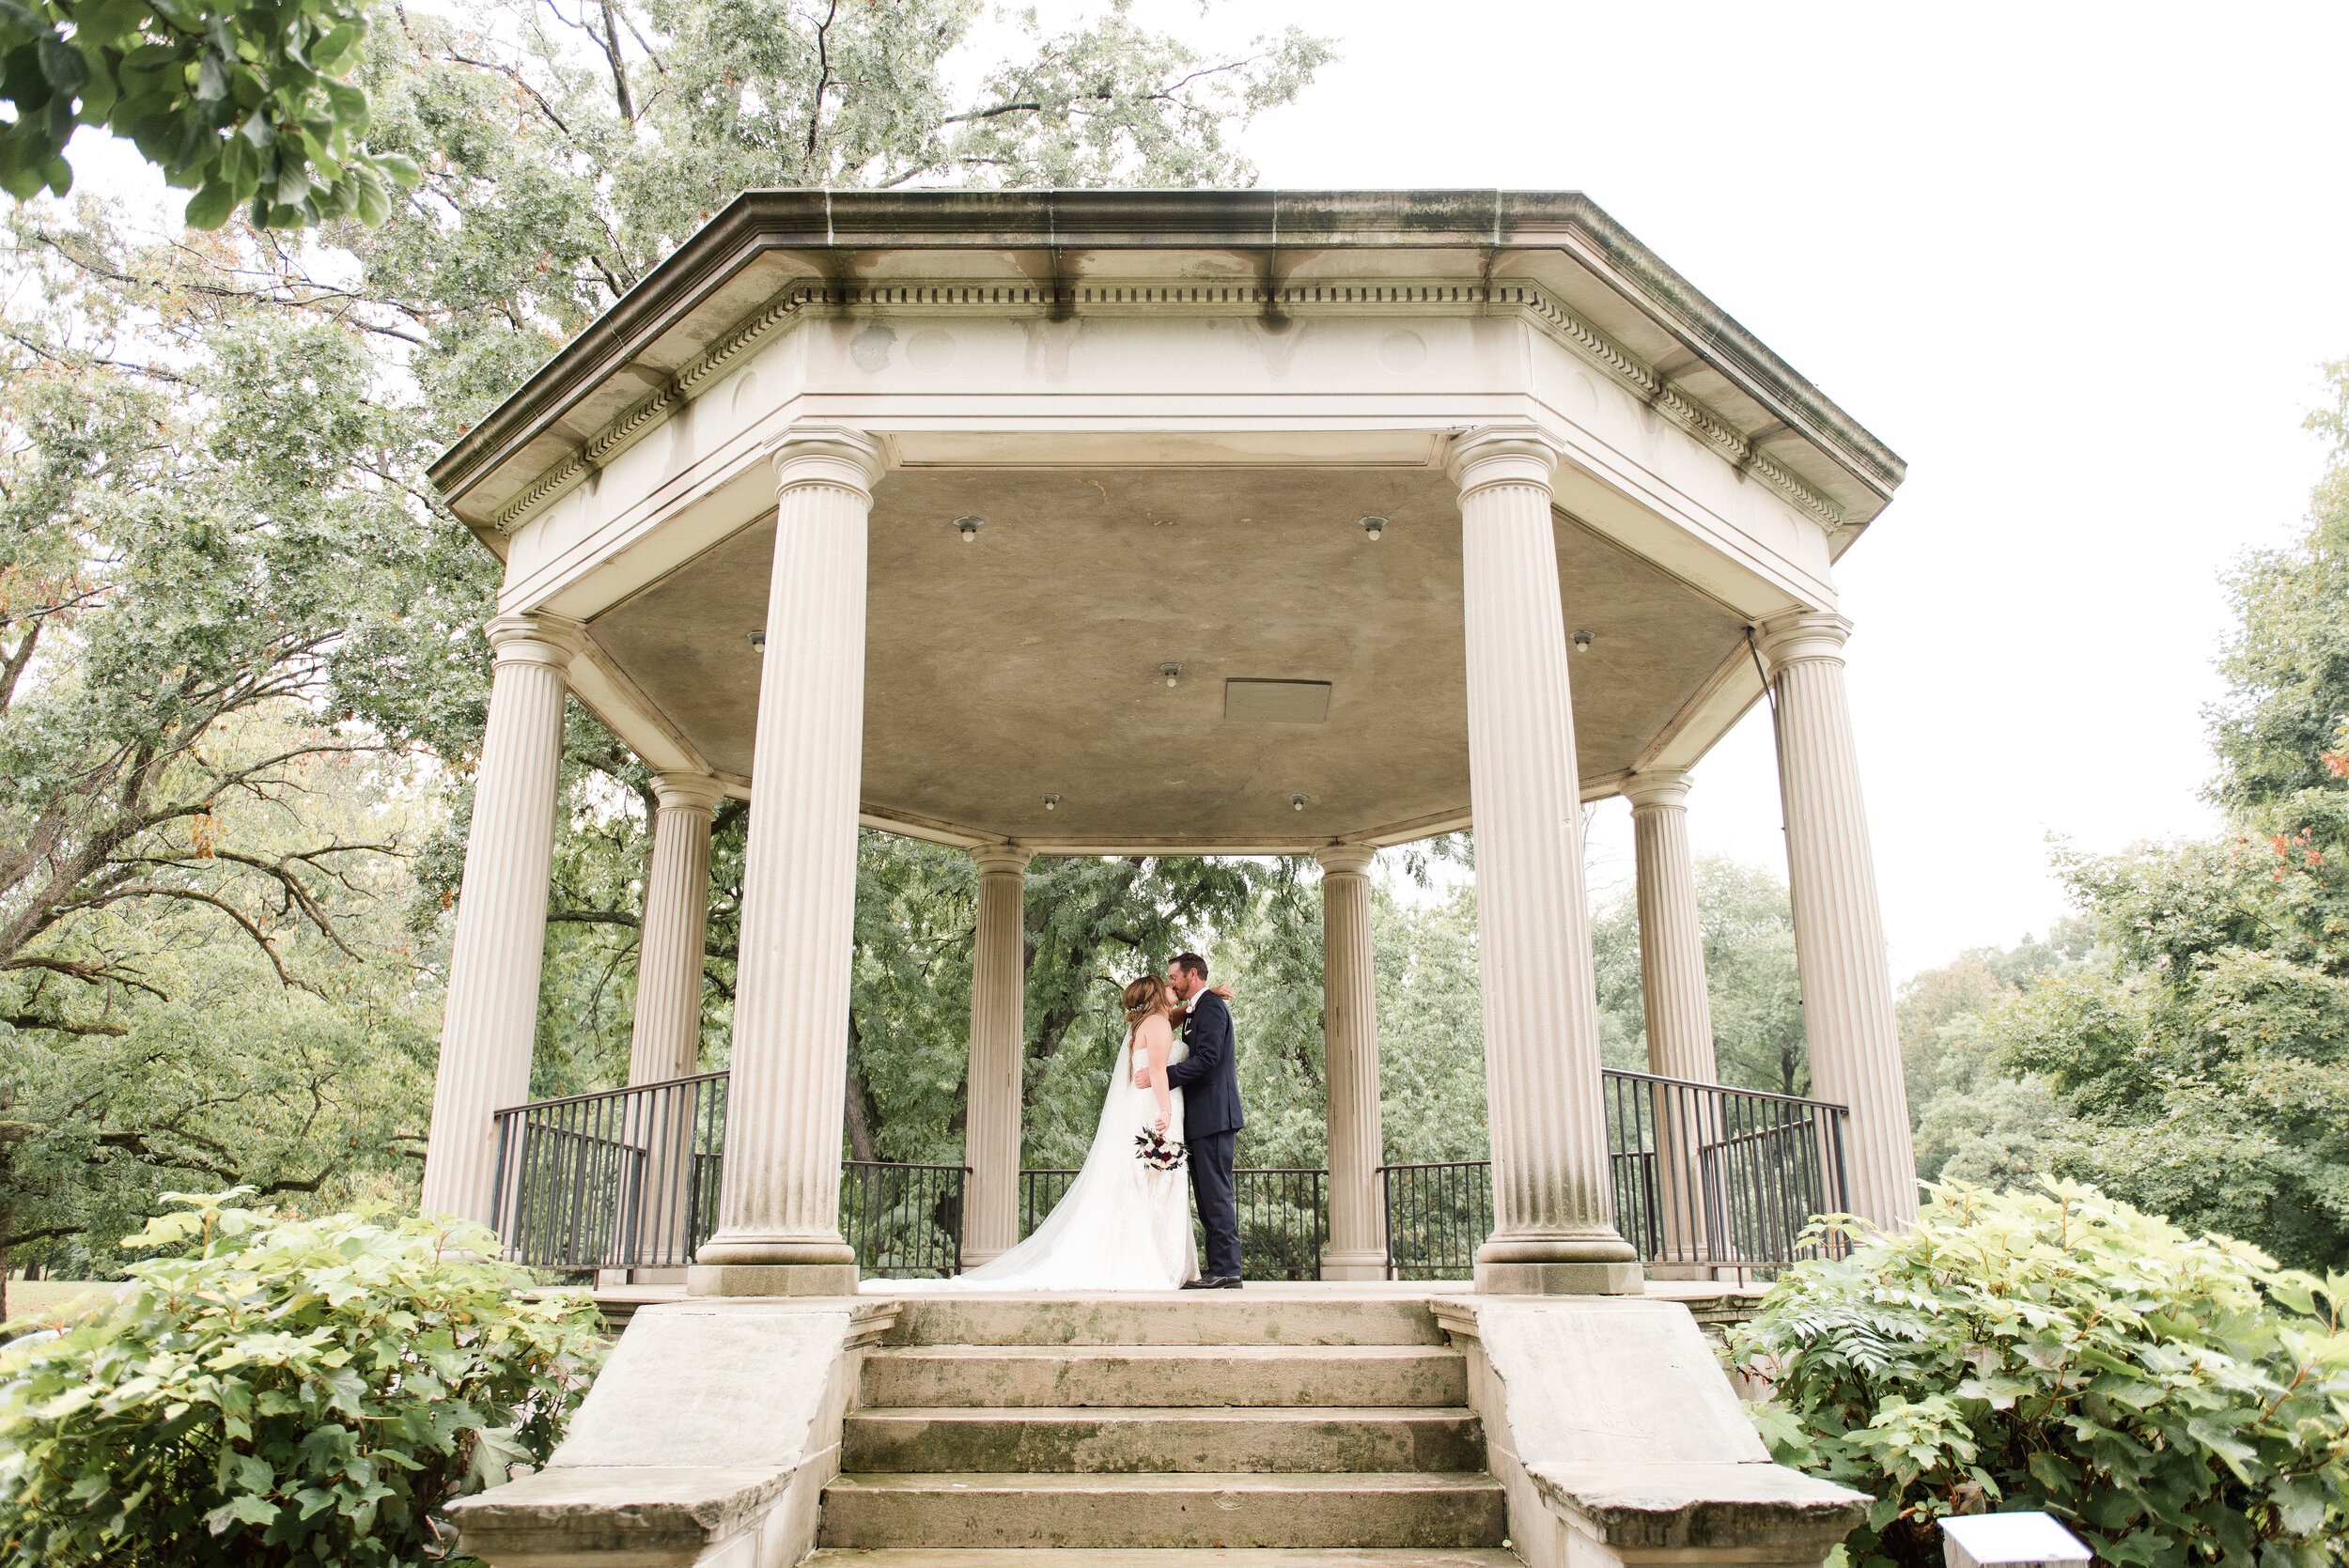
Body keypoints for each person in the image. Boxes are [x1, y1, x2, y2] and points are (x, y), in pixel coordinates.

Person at [886, 973, 1199, 1292]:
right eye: (1168, 986)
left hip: (1142, 1106)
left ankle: (1148, 1257)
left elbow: (1169, 1033)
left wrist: (1204, 996)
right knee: (1157, 1180)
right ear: (1158, 995)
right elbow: (1158, 1070)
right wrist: (1166, 1110)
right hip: (1155, 1110)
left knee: (1144, 1181)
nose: (1173, 988)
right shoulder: (1158, 1025)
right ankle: (1153, 1262)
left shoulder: (1145, 1024)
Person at [1162, 952, 1244, 1288]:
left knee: (1216, 1193)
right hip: (1203, 1117)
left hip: (1214, 1115)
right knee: (1208, 1195)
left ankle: (1227, 1270)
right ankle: (1219, 1268)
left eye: (1174, 977)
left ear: (1192, 974)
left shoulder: (1210, 1007)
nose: (1171, 983)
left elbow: (1208, 1058)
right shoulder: (1200, 1007)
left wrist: (1162, 1077)